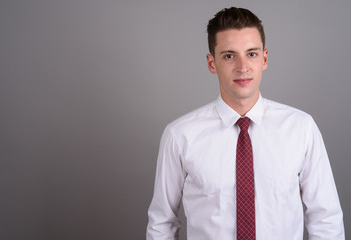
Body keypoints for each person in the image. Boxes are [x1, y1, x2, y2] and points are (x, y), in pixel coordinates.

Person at [146, 6, 345, 240]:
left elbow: (326, 220)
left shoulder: (301, 128)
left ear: (265, 58)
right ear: (212, 63)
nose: (242, 67)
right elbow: (162, 224)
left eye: (251, 53)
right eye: (229, 55)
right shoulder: (180, 135)